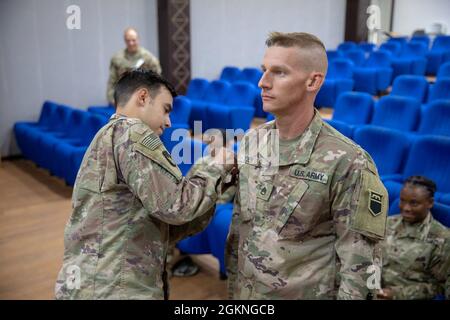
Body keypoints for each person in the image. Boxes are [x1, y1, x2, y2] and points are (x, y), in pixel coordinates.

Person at [226, 32, 389, 300]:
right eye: (263, 70)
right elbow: (240, 226)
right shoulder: (252, 141)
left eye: (278, 73)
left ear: (313, 81)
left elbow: (362, 264)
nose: (262, 82)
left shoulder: (348, 161)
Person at [55, 69, 235, 300]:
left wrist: (218, 185)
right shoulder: (133, 133)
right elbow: (176, 207)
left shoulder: (109, 134)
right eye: (165, 109)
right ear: (142, 97)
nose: (169, 122)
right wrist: (215, 164)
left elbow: (162, 223)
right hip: (115, 286)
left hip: (94, 279)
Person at [171, 129, 237, 278]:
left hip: (216, 203)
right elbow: (187, 183)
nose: (211, 145)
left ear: (226, 144)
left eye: (216, 142)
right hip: (195, 199)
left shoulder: (233, 163)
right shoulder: (202, 161)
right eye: (210, 142)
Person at [378, 176, 450, 300]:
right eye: (402, 201)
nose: (406, 208)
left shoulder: (442, 239)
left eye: (414, 203)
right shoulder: (386, 223)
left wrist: (396, 294)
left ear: (430, 203)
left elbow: (439, 286)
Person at [106, 27, 162, 105]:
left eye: (133, 40)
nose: (131, 43)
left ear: (138, 39)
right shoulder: (117, 59)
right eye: (128, 40)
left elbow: (158, 81)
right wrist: (113, 101)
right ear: (125, 40)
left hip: (144, 100)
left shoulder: (149, 59)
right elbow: (112, 82)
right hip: (123, 100)